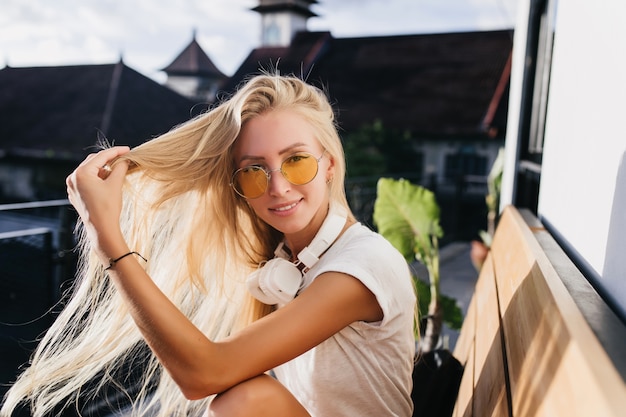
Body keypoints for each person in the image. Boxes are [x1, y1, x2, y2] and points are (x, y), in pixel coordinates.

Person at [0, 74, 417, 417]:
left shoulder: (361, 266)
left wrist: (107, 239)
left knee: (242, 400)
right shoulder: (289, 260)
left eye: (296, 160)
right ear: (238, 188)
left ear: (328, 164)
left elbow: (204, 374)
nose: (278, 186)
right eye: (254, 170)